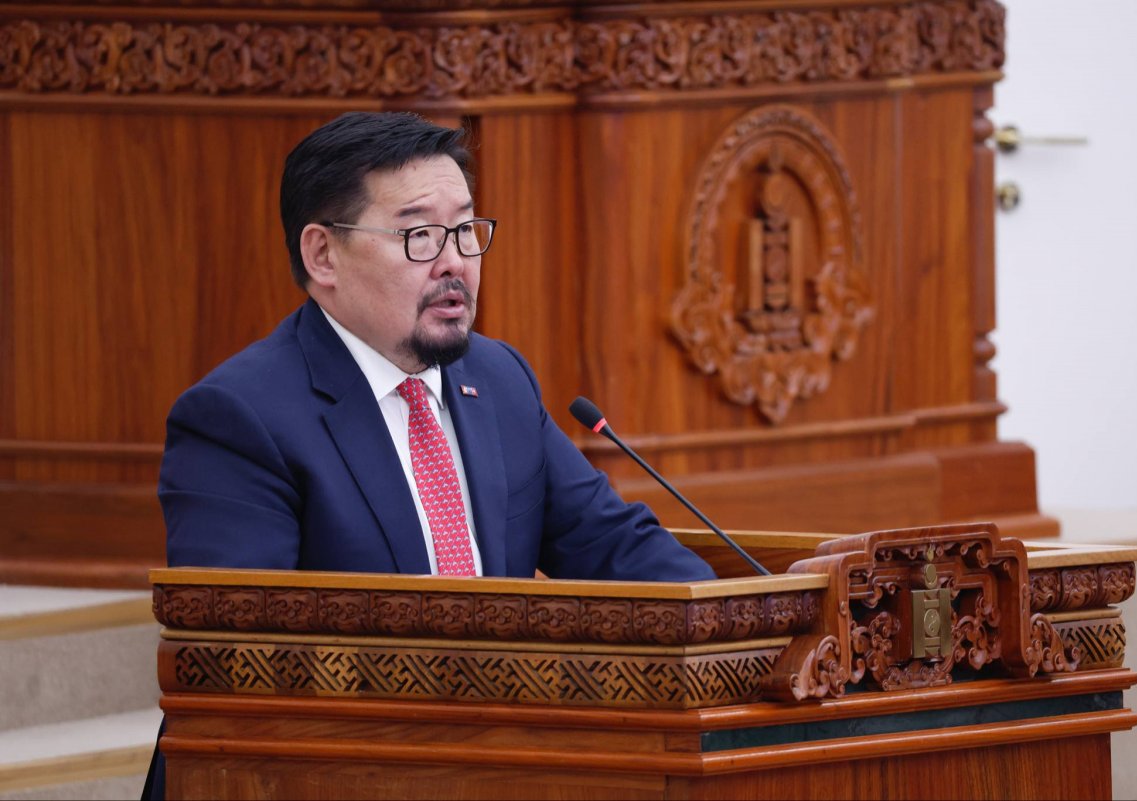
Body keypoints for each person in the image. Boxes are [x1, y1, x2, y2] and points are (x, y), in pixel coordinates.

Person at [143, 111, 716, 799]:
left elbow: (614, 546)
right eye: (419, 235)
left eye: (465, 231)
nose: (454, 263)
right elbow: (234, 662)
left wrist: (745, 625)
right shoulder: (240, 418)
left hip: (496, 765)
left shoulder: (499, 379)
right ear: (322, 255)